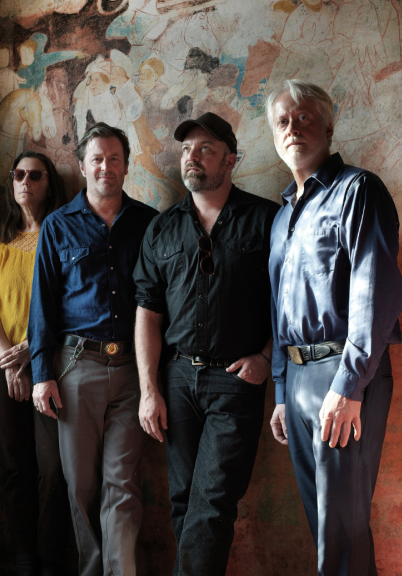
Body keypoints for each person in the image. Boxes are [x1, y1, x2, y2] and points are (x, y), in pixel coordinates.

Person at [266, 80, 402, 576]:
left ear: (328, 126)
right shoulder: (282, 216)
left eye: (304, 118)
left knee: (342, 525)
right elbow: (279, 310)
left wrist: (349, 385)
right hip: (299, 379)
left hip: (346, 374)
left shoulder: (357, 190)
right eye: (283, 121)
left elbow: (375, 291)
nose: (293, 128)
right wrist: (282, 391)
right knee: (322, 521)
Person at [134, 112, 279, 575]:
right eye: (186, 150)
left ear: (230, 160)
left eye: (205, 149)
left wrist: (265, 358)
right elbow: (148, 315)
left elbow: (290, 302)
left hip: (236, 381)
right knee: (184, 502)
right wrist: (149, 389)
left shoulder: (266, 220)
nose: (192, 157)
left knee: (212, 502)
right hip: (176, 380)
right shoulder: (161, 229)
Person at [28, 123, 158, 576]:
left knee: (122, 485)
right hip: (75, 366)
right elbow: (42, 303)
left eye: (115, 158)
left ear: (126, 165)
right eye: (97, 159)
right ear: (83, 167)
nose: (106, 166)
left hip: (131, 371)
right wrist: (42, 373)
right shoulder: (58, 226)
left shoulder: (149, 222)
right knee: (80, 486)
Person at [0, 151, 69, 576]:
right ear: (11, 182)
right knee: (15, 464)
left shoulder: (63, 231)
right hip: (3, 363)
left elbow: (68, 301)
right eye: (18, 174)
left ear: (49, 184)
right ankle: (24, 557)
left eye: (35, 175)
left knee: (52, 467)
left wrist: (33, 348)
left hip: (51, 358)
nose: (25, 181)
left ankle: (51, 556)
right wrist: (7, 359)